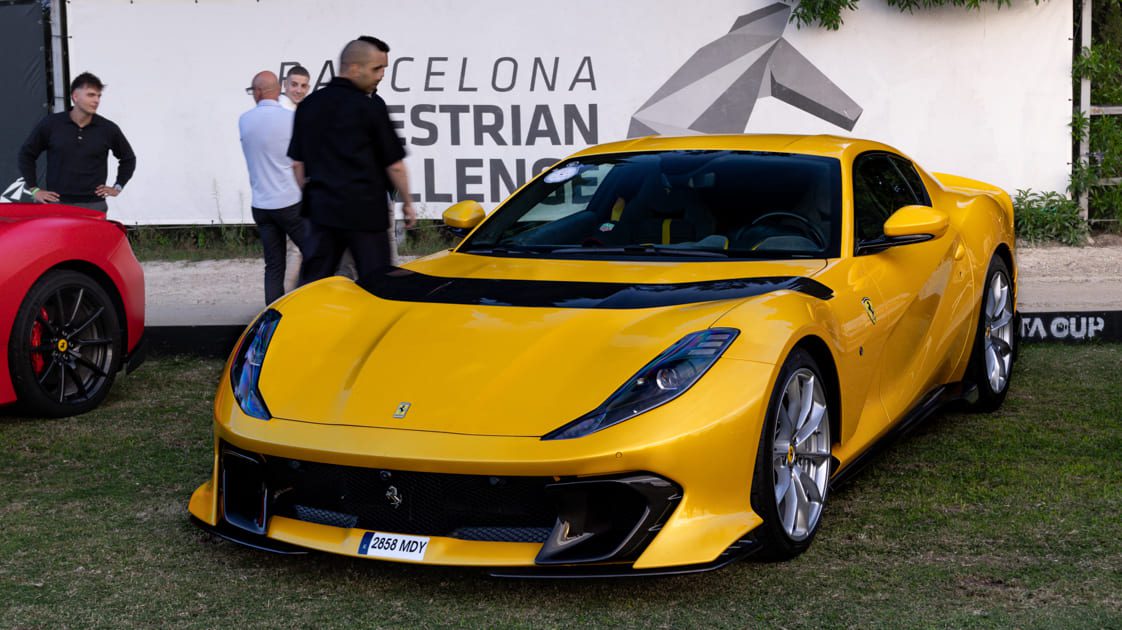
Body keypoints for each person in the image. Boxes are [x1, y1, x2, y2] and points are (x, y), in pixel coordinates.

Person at [289, 37, 417, 285]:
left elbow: (297, 165)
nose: (381, 76)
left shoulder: (309, 106)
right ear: (354, 68)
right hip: (366, 214)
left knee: (313, 287)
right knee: (378, 286)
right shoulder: (370, 107)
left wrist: (314, 194)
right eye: (377, 69)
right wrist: (408, 203)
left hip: (322, 213)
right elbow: (395, 165)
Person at [17, 72, 136, 212]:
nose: (96, 100)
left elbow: (128, 158)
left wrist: (118, 186)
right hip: (57, 204)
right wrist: (34, 189)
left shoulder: (108, 128)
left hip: (94, 206)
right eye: (91, 95)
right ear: (75, 96)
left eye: (99, 96)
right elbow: (26, 155)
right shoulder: (51, 124)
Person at [239, 70, 307, 304]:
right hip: (290, 201)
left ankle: (274, 314)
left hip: (261, 205)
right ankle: (303, 302)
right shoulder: (291, 120)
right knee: (315, 254)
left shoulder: (244, 120)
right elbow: (299, 161)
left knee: (274, 266)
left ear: (258, 92)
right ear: (278, 90)